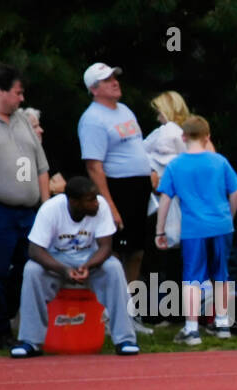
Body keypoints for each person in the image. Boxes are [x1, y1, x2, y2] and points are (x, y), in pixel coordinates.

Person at [11, 176, 139, 357]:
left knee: (114, 267)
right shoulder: (50, 210)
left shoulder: (100, 206)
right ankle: (30, 341)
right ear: (74, 202)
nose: (96, 203)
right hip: (57, 260)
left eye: (95, 198)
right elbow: (35, 250)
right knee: (32, 270)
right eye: (90, 200)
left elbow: (106, 247)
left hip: (90, 258)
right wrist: (63, 270)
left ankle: (125, 339)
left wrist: (88, 265)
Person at [0, 65, 48, 350]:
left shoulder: (20, 119)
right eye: (17, 93)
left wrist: (45, 206)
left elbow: (40, 164)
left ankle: (17, 322)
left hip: (28, 210)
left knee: (32, 266)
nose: (21, 98)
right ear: (1, 91)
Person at [155, 115, 237, 345]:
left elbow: (165, 198)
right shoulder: (219, 161)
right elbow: (235, 192)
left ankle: (192, 328)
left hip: (194, 228)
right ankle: (223, 323)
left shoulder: (175, 165)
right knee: (221, 274)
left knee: (192, 277)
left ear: (183, 137)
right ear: (208, 137)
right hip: (221, 225)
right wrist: (229, 218)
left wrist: (160, 231)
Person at [78, 63, 151, 312]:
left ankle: (131, 311)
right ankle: (111, 311)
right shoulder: (92, 119)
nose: (115, 82)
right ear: (94, 89)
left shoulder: (125, 110)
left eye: (114, 77)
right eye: (107, 80)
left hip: (139, 187)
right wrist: (109, 203)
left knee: (137, 250)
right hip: (117, 188)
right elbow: (94, 166)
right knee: (117, 253)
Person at [143, 91, 190, 248]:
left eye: (159, 113)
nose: (157, 118)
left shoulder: (167, 132)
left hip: (163, 202)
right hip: (182, 204)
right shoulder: (191, 135)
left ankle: (154, 275)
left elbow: (149, 156)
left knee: (159, 253)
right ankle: (165, 274)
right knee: (176, 256)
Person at [18, 107, 66, 195]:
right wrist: (48, 186)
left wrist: (44, 187)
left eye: (39, 125)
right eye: (35, 127)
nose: (41, 130)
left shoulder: (42, 154)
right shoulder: (20, 156)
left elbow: (62, 185)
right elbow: (27, 190)